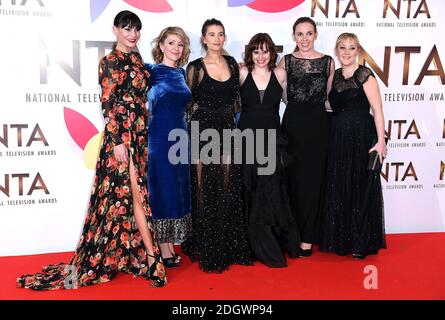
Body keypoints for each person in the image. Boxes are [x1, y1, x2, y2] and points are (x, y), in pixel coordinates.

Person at [16, 10, 166, 289]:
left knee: (131, 195)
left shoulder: (137, 60)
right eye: (127, 29)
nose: (133, 34)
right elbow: (107, 103)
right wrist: (119, 140)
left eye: (136, 29)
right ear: (115, 30)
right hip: (121, 138)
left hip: (140, 135)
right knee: (136, 193)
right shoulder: (109, 61)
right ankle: (153, 260)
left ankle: (130, 254)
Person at [182, 18, 253, 272]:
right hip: (202, 130)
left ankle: (228, 244)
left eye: (220, 34)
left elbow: (236, 102)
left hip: (227, 127)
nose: (216, 38)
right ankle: (206, 245)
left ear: (224, 37)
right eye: (211, 34)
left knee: (227, 186)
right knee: (204, 188)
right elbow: (187, 103)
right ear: (204, 38)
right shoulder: (196, 67)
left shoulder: (233, 64)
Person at [318, 33, 387, 259]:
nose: (346, 52)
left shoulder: (365, 75)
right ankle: (341, 239)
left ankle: (360, 241)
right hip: (337, 136)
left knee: (359, 187)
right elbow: (331, 104)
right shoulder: (335, 75)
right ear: (336, 51)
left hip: (360, 136)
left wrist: (381, 141)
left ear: (358, 50)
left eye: (351, 47)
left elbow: (377, 109)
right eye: (342, 48)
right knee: (340, 185)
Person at [238, 33, 300, 267]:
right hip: (245, 140)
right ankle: (249, 243)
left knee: (271, 191)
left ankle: (269, 243)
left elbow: (292, 104)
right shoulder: (243, 72)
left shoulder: (281, 74)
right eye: (256, 51)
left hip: (272, 140)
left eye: (265, 51)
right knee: (249, 189)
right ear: (250, 53)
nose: (261, 56)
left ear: (272, 53)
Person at [278, 17, 335, 257]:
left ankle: (308, 238)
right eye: (299, 34)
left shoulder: (328, 63)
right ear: (293, 36)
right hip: (292, 124)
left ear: (315, 35)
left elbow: (330, 97)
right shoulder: (286, 61)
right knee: (292, 180)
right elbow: (283, 97)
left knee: (313, 182)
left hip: (319, 126)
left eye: (308, 33)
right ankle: (291, 234)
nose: (304, 38)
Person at [145, 27, 192, 267]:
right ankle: (163, 249)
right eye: (171, 43)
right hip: (160, 138)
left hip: (180, 138)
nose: (175, 48)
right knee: (161, 189)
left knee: (176, 189)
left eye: (180, 44)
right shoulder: (150, 71)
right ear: (161, 45)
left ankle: (170, 243)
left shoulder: (182, 73)